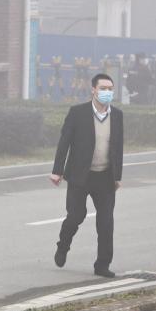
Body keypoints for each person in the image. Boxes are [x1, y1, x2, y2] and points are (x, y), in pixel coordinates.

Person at [50, 72, 124, 278]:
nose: (107, 92)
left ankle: (102, 265)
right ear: (93, 90)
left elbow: (118, 147)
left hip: (105, 176)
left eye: (110, 89)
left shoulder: (117, 115)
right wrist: (57, 171)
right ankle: (63, 245)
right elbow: (64, 143)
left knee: (106, 221)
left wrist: (117, 176)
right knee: (76, 216)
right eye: (103, 88)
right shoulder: (77, 113)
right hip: (80, 176)